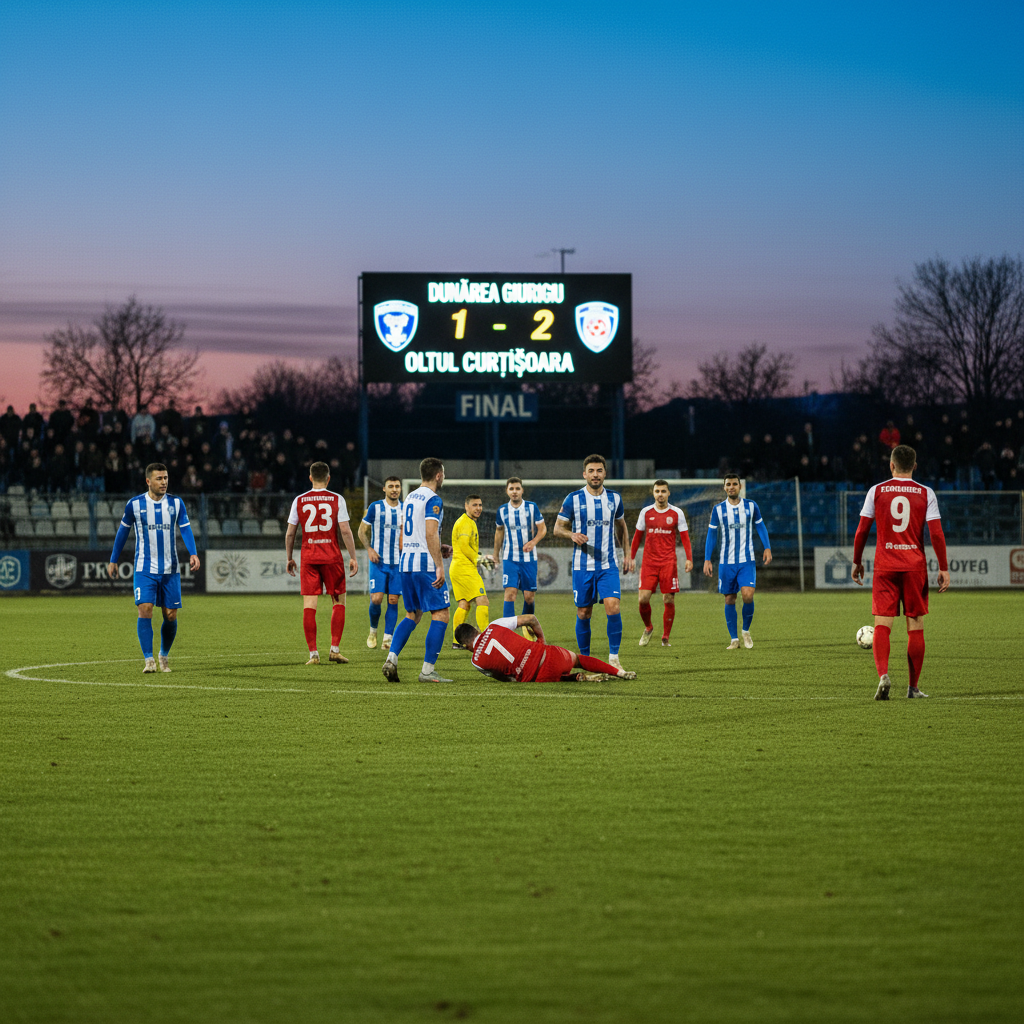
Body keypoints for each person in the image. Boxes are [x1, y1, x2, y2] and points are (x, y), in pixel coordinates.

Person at [852, 444, 950, 700]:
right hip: (914, 566)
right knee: (915, 625)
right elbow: (936, 534)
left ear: (891, 465)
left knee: (882, 625)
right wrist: (943, 567)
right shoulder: (925, 493)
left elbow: (862, 530)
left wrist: (856, 561)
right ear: (915, 466)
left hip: (885, 565)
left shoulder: (877, 491)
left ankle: (883, 675)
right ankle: (913, 688)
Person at [107, 462, 201, 673]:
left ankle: (163, 655)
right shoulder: (135, 504)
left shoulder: (176, 503)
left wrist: (193, 553)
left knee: (170, 615)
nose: (164, 482)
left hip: (170, 569)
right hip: (144, 568)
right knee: (145, 609)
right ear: (148, 481)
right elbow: (122, 533)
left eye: (166, 478)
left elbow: (185, 529)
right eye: (159, 479)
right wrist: (114, 559)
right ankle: (149, 660)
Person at [553, 454, 634, 669]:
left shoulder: (615, 498)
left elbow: (621, 526)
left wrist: (627, 554)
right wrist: (571, 535)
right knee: (584, 612)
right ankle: (586, 660)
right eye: (591, 471)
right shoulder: (573, 498)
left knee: (613, 607)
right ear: (584, 474)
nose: (595, 475)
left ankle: (614, 659)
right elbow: (557, 528)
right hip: (582, 566)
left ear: (605, 473)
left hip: (608, 565)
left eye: (599, 470)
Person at [381, 457, 452, 684]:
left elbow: (410, 534)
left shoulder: (409, 497)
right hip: (425, 564)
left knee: (413, 614)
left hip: (406, 561)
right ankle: (428, 671)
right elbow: (431, 532)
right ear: (438, 475)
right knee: (440, 613)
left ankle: (391, 658)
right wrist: (439, 564)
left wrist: (437, 548)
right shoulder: (434, 499)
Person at [284, 461, 358, 665]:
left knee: (309, 605)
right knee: (339, 602)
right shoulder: (337, 499)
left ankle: (313, 654)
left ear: (310, 478)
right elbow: (345, 530)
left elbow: (291, 532)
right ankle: (334, 649)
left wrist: (289, 557)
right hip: (331, 557)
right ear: (328, 478)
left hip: (309, 558)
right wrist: (353, 556)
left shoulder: (299, 500)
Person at [454, 615, 636, 682]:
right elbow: (531, 619)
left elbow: (504, 678)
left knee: (529, 675)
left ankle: (573, 678)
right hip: (550, 657)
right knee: (578, 659)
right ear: (476, 629)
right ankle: (617, 672)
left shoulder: (476, 662)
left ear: (465, 646)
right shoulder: (494, 625)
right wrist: (541, 639)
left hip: (539, 678)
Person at [703, 473, 772, 649]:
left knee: (748, 595)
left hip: (746, 560)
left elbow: (760, 526)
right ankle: (734, 639)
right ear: (724, 487)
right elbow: (712, 534)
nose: (731, 487)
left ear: (740, 486)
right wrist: (707, 559)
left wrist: (767, 547)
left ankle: (745, 631)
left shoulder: (751, 506)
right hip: (726, 562)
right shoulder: (718, 509)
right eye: (728, 484)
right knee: (729, 599)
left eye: (735, 484)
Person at [630, 479, 693, 647]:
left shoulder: (677, 513)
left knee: (668, 599)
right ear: (653, 493)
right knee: (643, 599)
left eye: (663, 491)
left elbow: (685, 537)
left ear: (668, 493)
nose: (660, 494)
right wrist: (631, 557)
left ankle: (665, 637)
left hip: (668, 562)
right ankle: (648, 627)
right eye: (657, 491)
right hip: (649, 562)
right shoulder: (645, 512)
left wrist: (689, 558)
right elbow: (637, 537)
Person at [493, 476, 547, 635]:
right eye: (511, 489)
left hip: (529, 559)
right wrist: (496, 554)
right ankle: (506, 634)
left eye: (517, 488)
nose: (514, 492)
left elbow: (542, 529)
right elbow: (499, 532)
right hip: (510, 558)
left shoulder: (532, 507)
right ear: (507, 491)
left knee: (529, 597)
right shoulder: (502, 510)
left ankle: (527, 626)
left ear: (522, 490)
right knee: (510, 594)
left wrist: (533, 542)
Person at [358, 475, 404, 651]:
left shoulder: (405, 509)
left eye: (397, 486)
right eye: (391, 486)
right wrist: (369, 549)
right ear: (384, 489)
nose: (394, 489)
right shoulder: (375, 507)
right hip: (378, 562)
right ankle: (373, 631)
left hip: (398, 563)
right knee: (376, 599)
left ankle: (387, 638)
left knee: (393, 600)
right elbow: (361, 531)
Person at [449, 494, 491, 648]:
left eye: (480, 505)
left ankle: (456, 641)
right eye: (474, 505)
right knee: (482, 600)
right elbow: (465, 545)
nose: (478, 508)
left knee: (464, 604)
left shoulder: (466, 521)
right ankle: (486, 638)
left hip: (458, 567)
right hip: (464, 568)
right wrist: (479, 558)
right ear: (466, 506)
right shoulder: (466, 523)